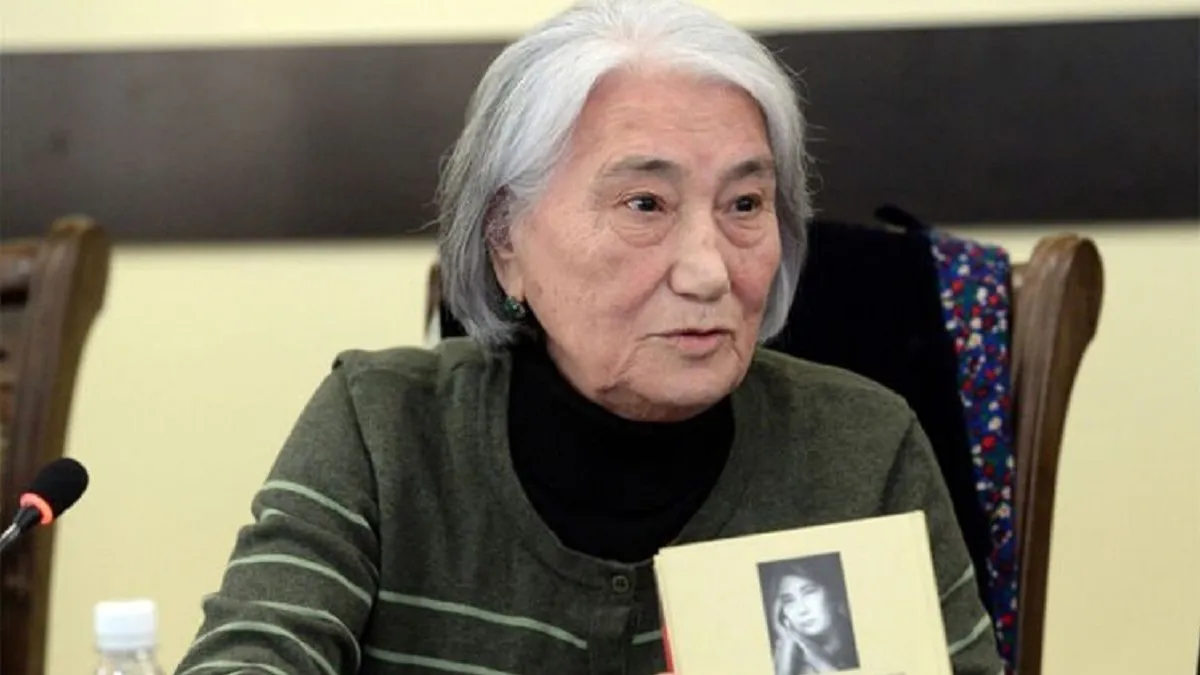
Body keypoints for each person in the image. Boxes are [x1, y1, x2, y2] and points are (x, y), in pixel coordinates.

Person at [174, 0, 1004, 673]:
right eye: (645, 204)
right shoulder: (382, 426)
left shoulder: (862, 448)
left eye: (745, 204)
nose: (709, 270)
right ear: (506, 241)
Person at [765, 559, 860, 674]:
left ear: (832, 594)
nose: (802, 610)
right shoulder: (785, 660)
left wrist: (818, 661)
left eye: (809, 592)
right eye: (789, 601)